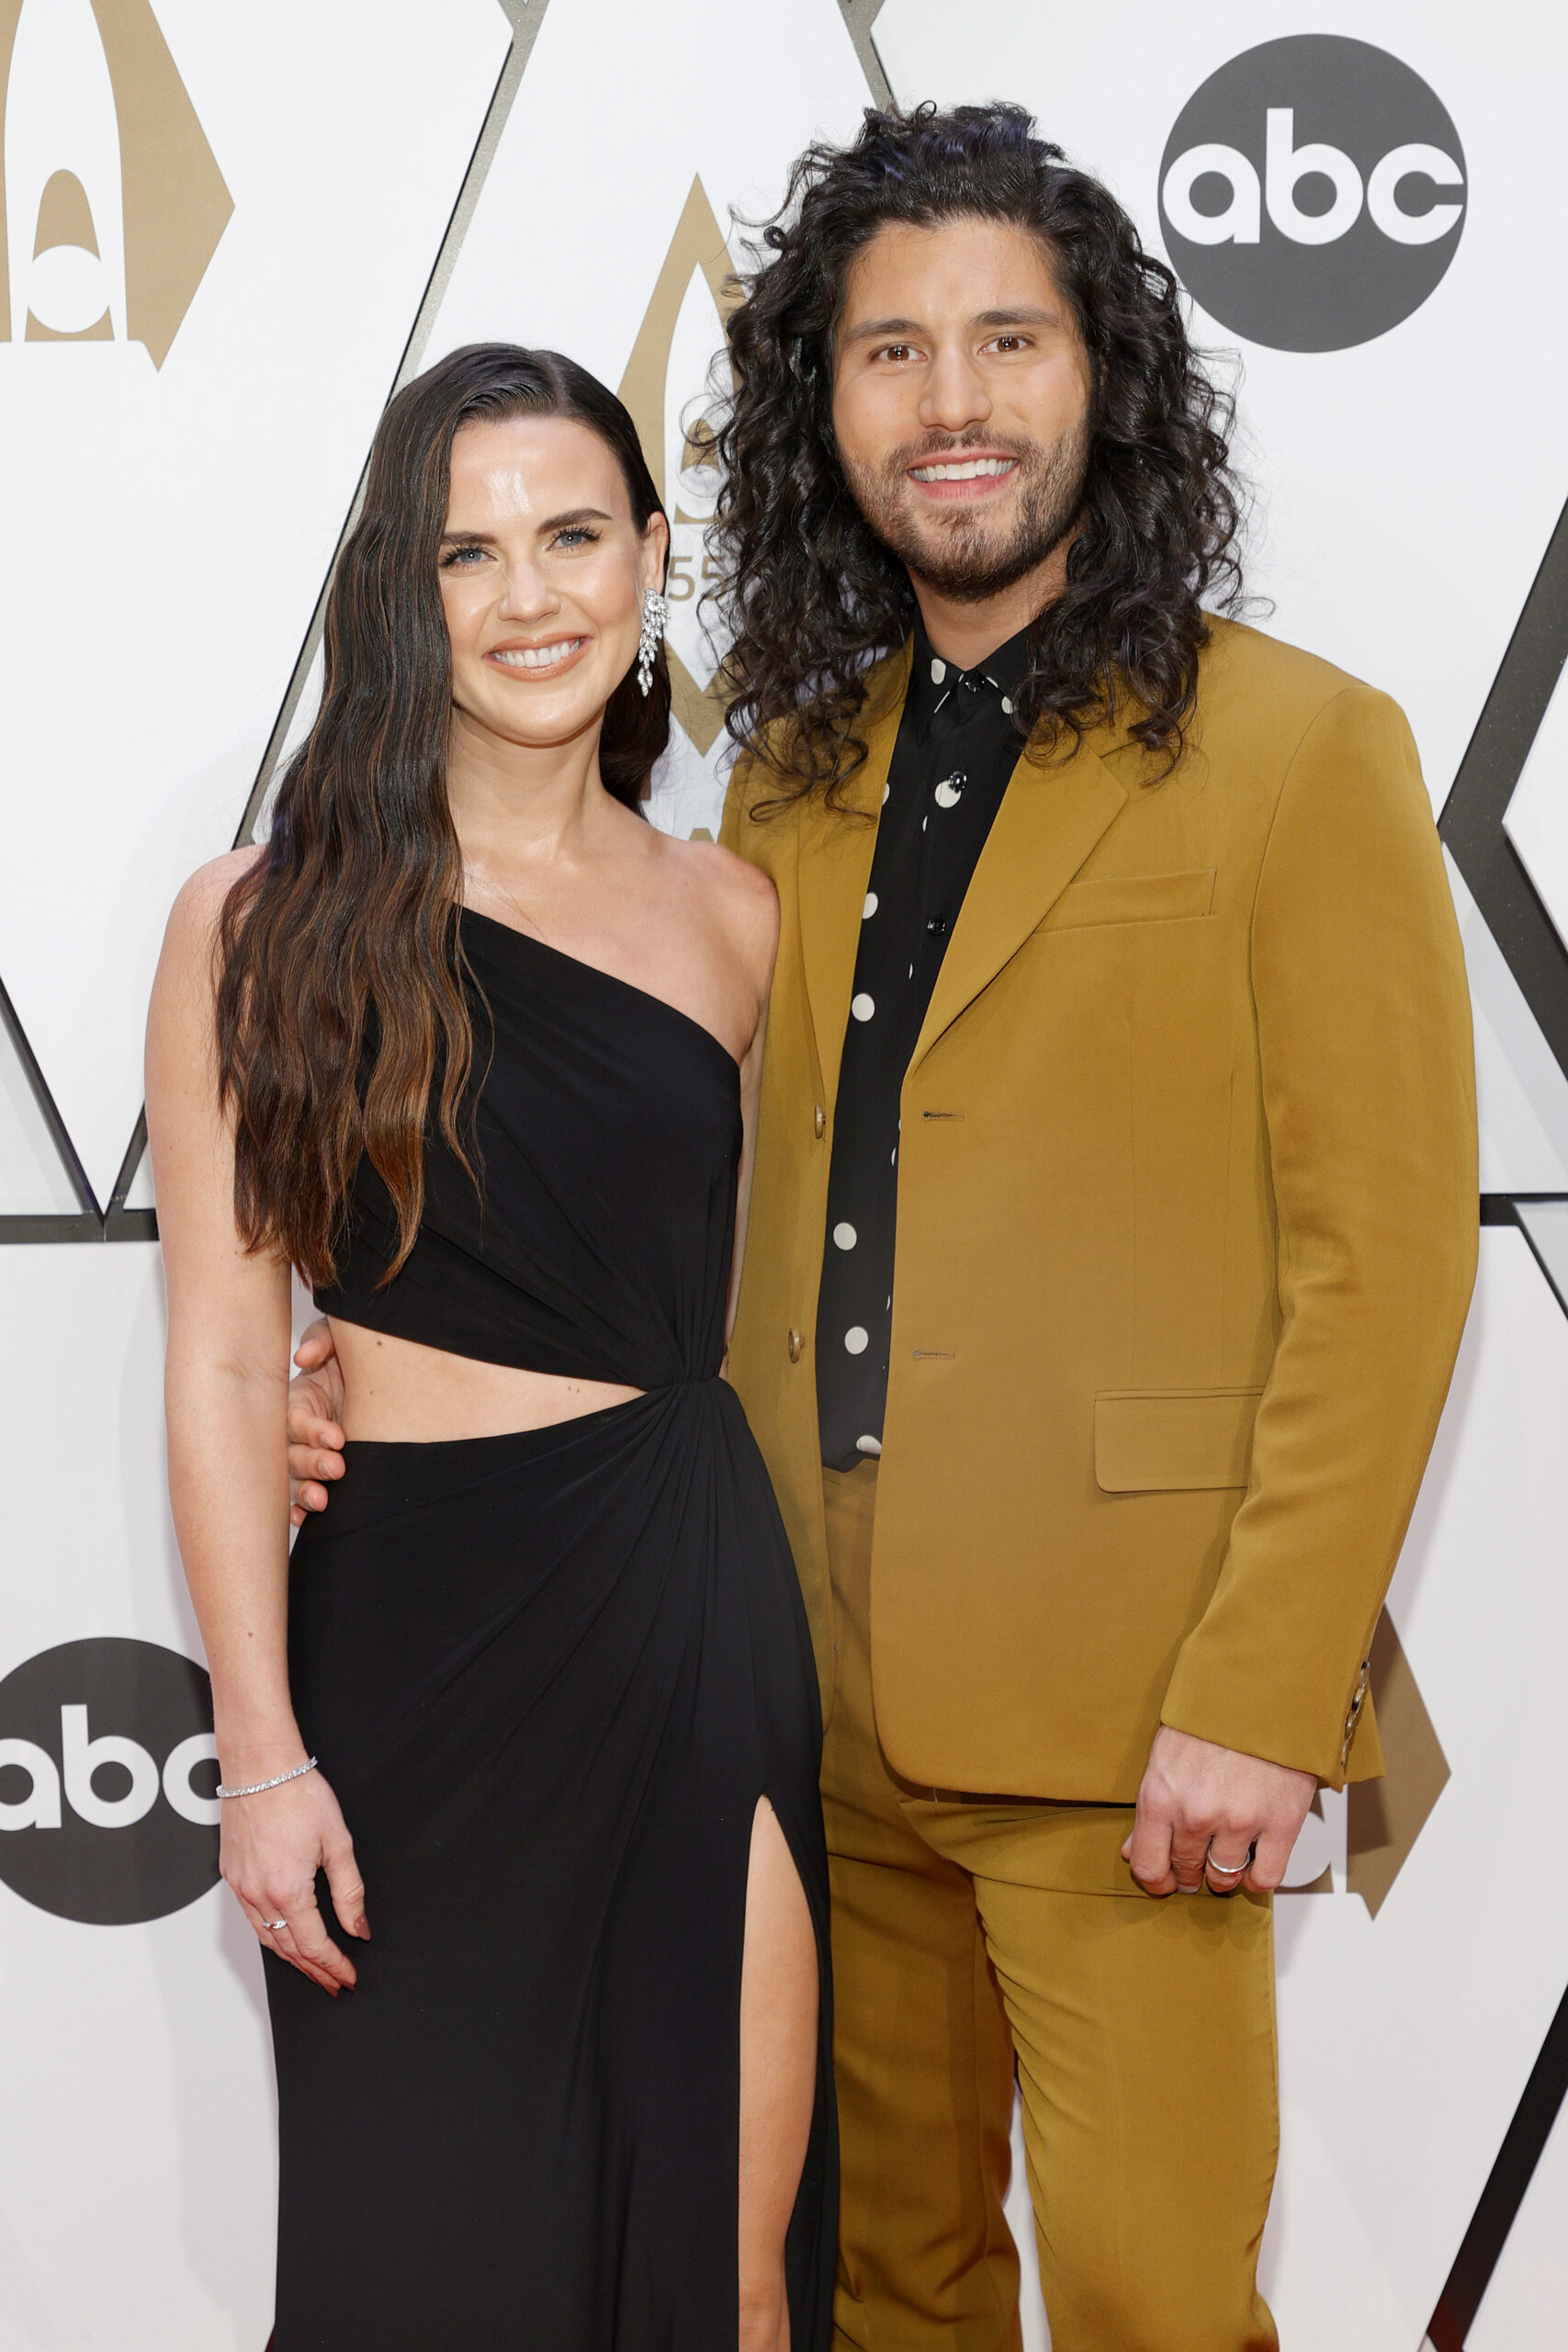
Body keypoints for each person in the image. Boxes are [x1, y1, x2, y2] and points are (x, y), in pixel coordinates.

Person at [289, 105, 1479, 2352]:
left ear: (1100, 378)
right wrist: (353, 1353)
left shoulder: (1301, 749)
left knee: (1146, 2299)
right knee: (878, 2290)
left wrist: (1255, 1693)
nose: (951, 403)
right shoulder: (790, 774)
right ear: (817, 411)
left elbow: (1387, 1259)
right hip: (773, 1686)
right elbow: (678, 1180)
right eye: (889, 352)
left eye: (1007, 341)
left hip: (1129, 1717)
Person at [148, 343, 834, 2352]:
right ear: (400, 586)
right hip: (405, 1645)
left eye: (571, 535)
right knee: (420, 2268)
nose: (529, 596)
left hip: (687, 1612)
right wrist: (258, 1749)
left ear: (643, 556)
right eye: (468, 551)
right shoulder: (264, 919)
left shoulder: (737, 912)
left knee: (720, 2257)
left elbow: (766, 1298)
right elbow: (216, 1345)